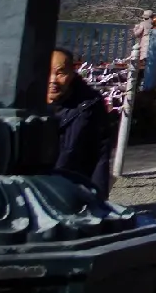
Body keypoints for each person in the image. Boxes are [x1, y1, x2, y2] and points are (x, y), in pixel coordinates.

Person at [48, 48, 114, 200]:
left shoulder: (89, 105)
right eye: (47, 72)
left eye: (60, 73)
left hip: (70, 190)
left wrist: (99, 200)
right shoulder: (27, 101)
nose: (52, 80)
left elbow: (100, 155)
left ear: (72, 73)